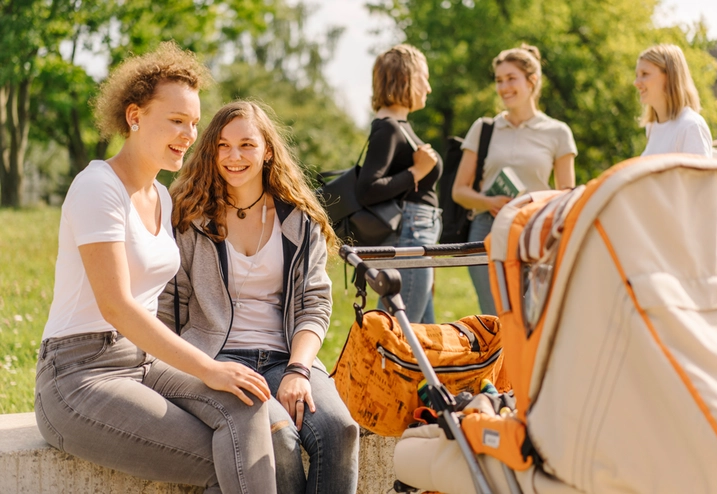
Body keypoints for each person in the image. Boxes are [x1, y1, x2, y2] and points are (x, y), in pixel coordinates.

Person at [34, 43, 277, 494]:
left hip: (143, 363)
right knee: (229, 458)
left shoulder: (161, 197)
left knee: (247, 407)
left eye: (193, 122)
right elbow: (118, 307)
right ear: (135, 116)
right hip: (77, 376)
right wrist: (210, 368)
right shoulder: (97, 188)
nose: (190, 134)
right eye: (176, 120)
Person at [159, 100, 359, 494]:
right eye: (223, 146)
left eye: (247, 145)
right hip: (218, 358)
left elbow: (314, 305)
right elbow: (168, 306)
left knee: (339, 429)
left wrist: (299, 371)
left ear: (268, 150)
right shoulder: (188, 217)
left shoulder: (300, 219)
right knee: (279, 441)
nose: (234, 156)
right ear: (211, 150)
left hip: (288, 355)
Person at [452, 44, 577, 316]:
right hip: (487, 231)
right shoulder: (484, 128)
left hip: (536, 231)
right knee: (497, 318)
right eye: (499, 80)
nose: (504, 87)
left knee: (533, 318)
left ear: (532, 81)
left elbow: (566, 195)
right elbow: (459, 191)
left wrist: (529, 205)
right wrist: (489, 200)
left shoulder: (558, 132)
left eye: (511, 79)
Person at [356, 44, 442, 323]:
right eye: (423, 78)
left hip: (418, 237)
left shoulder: (399, 125)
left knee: (423, 343)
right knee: (400, 339)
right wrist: (417, 171)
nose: (428, 88)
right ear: (405, 78)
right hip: (410, 239)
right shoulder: (388, 126)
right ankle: (360, 369)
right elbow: (368, 189)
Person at [634, 44, 712, 157]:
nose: (636, 82)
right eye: (637, 75)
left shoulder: (690, 126)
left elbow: (700, 175)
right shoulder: (652, 127)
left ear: (670, 76)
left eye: (644, 74)